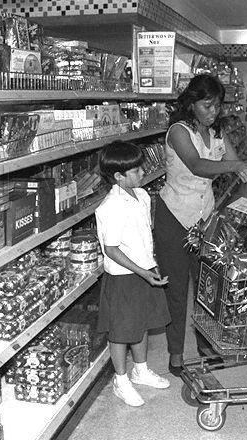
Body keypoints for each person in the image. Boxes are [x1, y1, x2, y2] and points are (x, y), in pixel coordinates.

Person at [153, 74, 247, 376]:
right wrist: (239, 166)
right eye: (207, 105)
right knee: (177, 290)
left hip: (204, 219)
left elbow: (235, 162)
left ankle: (206, 348)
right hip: (173, 218)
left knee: (208, 289)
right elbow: (198, 165)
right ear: (191, 104)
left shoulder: (217, 133)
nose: (213, 111)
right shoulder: (179, 131)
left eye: (217, 105)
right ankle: (175, 354)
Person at [95, 141, 172, 407]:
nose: (143, 171)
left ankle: (140, 370)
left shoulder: (142, 196)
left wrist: (152, 264)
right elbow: (112, 249)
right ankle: (121, 380)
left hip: (144, 269)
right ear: (118, 176)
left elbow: (143, 237)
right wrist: (143, 272)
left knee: (143, 322)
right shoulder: (111, 206)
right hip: (124, 276)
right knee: (121, 330)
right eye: (136, 169)